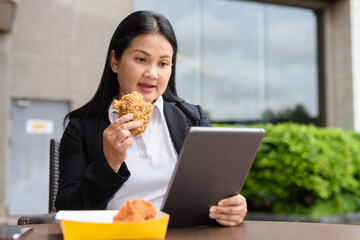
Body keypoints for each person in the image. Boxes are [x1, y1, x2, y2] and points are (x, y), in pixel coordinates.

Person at [55, 10, 247, 227]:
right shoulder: (81, 127)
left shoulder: (194, 119)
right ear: (115, 61)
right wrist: (108, 164)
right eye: (141, 59)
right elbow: (65, 210)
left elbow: (217, 193)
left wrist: (232, 207)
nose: (152, 73)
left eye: (163, 63)